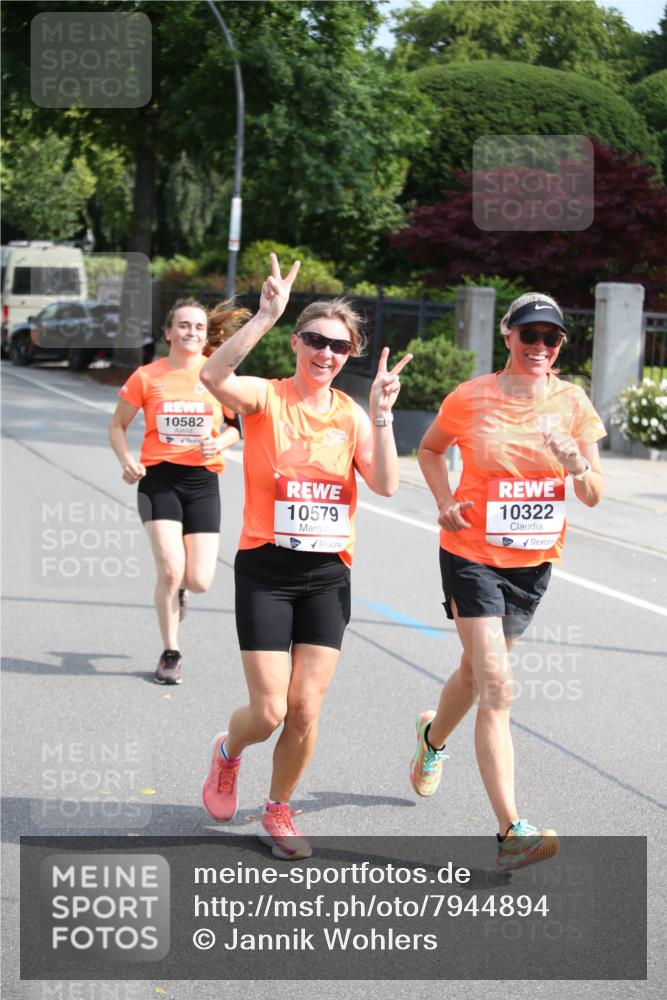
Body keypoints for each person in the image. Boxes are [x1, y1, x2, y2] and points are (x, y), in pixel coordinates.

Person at [199, 253, 411, 860]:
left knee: (304, 709)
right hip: (267, 570)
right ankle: (228, 752)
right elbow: (213, 376)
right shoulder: (266, 397)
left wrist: (383, 417)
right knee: (269, 711)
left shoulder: (350, 416)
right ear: (297, 342)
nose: (326, 353)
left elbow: (386, 485)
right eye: (316, 340)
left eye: (339, 347)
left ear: (350, 355)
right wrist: (264, 316)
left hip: (327, 575)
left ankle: (279, 808)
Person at [411, 292, 606, 871]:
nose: (540, 346)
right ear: (508, 335)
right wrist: (444, 501)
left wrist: (576, 462)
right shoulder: (471, 396)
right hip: (471, 554)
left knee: (475, 673)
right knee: (497, 684)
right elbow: (430, 449)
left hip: (532, 565)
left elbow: (594, 494)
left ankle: (432, 739)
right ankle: (510, 831)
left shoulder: (572, 402)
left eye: (551, 338)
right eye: (530, 335)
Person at [108, 297, 248, 685]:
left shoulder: (217, 375)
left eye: (199, 327)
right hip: (159, 481)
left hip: (202, 482)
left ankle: (183, 590)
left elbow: (237, 427)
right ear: (168, 332)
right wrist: (127, 460)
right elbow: (117, 425)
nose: (191, 332)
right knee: (170, 569)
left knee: (199, 579)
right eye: (183, 325)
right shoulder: (146, 377)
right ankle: (171, 652)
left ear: (206, 335)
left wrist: (219, 443)